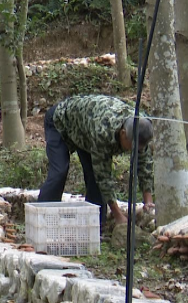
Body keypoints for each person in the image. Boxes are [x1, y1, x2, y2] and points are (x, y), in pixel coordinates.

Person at [37, 94, 154, 227]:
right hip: (60, 121)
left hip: (85, 130)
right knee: (59, 172)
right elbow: (103, 177)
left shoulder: (141, 127)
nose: (134, 150)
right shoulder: (103, 132)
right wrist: (118, 216)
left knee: (94, 179)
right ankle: (43, 221)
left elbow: (145, 164)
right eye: (132, 146)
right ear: (122, 134)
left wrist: (148, 202)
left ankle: (95, 226)